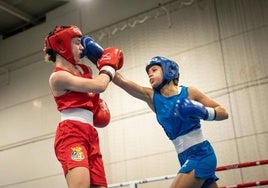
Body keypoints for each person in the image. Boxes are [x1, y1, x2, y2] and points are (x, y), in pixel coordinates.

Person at [112, 56, 229, 188]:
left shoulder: (189, 92)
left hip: (201, 154)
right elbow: (121, 81)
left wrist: (202, 111)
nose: (150, 74)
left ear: (169, 71)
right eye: (148, 72)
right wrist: (101, 58)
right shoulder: (152, 97)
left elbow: (223, 112)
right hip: (183, 157)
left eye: (154, 70)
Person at [43, 25, 123, 188]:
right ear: (62, 45)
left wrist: (101, 60)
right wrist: (107, 65)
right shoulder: (58, 77)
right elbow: (100, 85)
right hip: (71, 134)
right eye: (77, 43)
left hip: (90, 134)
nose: (82, 47)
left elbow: (101, 85)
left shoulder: (84, 70)